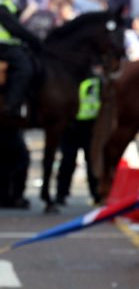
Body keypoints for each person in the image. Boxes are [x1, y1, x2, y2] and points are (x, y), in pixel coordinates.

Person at [55, 75, 102, 206]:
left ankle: (96, 194)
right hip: (71, 125)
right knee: (68, 160)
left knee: (91, 161)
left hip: (90, 125)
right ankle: (61, 194)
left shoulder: (96, 79)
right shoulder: (69, 76)